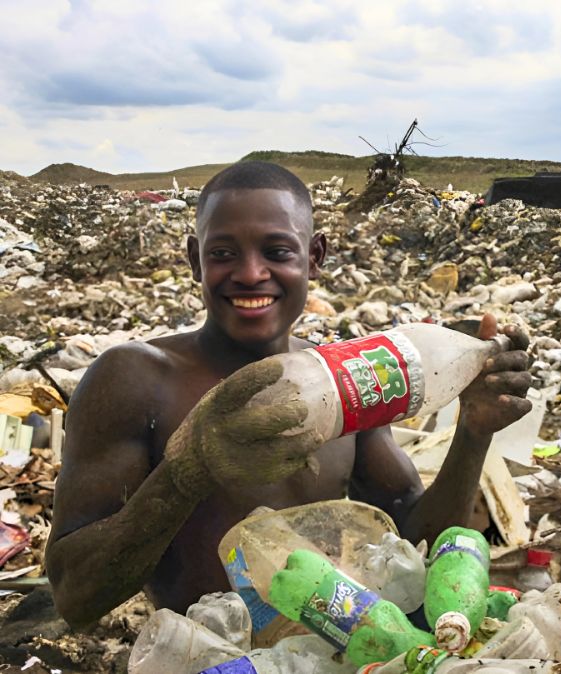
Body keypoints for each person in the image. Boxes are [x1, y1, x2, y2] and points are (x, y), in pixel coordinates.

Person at [45, 161, 533, 628]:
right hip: (212, 659)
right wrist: (186, 473)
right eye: (223, 254)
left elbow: (415, 542)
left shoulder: (342, 384)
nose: (251, 273)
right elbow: (75, 596)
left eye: (277, 252)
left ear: (314, 257)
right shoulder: (136, 379)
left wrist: (473, 432)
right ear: (195, 259)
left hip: (331, 652)